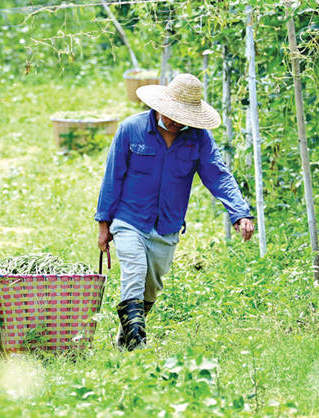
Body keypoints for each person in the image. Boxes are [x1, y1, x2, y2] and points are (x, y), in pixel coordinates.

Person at [95, 73, 255, 350]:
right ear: (160, 106)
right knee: (134, 273)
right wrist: (103, 223)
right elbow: (113, 177)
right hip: (130, 219)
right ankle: (137, 347)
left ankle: (126, 336)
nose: (175, 121)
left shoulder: (199, 139)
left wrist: (240, 213)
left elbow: (218, 176)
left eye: (182, 117)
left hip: (167, 224)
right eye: (171, 114)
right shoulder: (131, 129)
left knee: (151, 286)